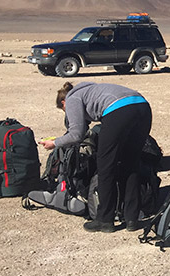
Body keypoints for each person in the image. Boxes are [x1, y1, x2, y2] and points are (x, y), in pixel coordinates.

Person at [40, 82, 152, 233]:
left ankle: (105, 220)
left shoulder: (72, 99)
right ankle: (132, 218)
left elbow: (76, 134)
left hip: (119, 111)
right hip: (143, 107)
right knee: (131, 163)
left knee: (106, 166)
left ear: (63, 103)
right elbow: (81, 128)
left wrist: (54, 143)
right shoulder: (90, 90)